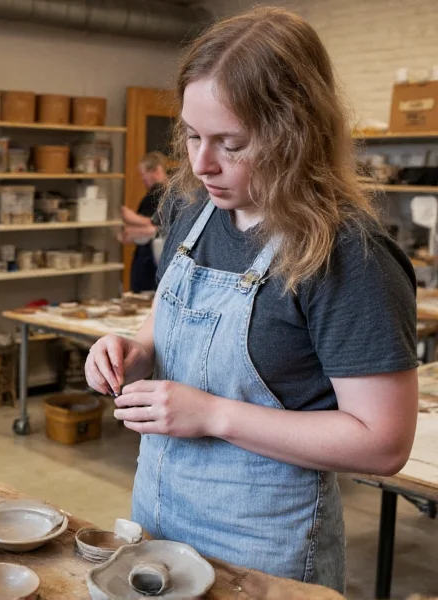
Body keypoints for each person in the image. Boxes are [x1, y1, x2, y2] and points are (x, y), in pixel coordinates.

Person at [85, 7, 417, 593]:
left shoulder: (347, 254)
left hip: (265, 542)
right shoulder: (193, 208)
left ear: (296, 134)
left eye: (231, 144)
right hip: (159, 511)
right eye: (192, 135)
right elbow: (164, 313)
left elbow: (382, 442)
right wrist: (134, 351)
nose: (201, 164)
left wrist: (213, 415)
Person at [121, 152, 169, 292]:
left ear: (157, 170)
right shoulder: (173, 194)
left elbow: (157, 227)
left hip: (150, 261)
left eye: (143, 174)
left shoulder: (157, 195)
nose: (143, 179)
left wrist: (130, 219)